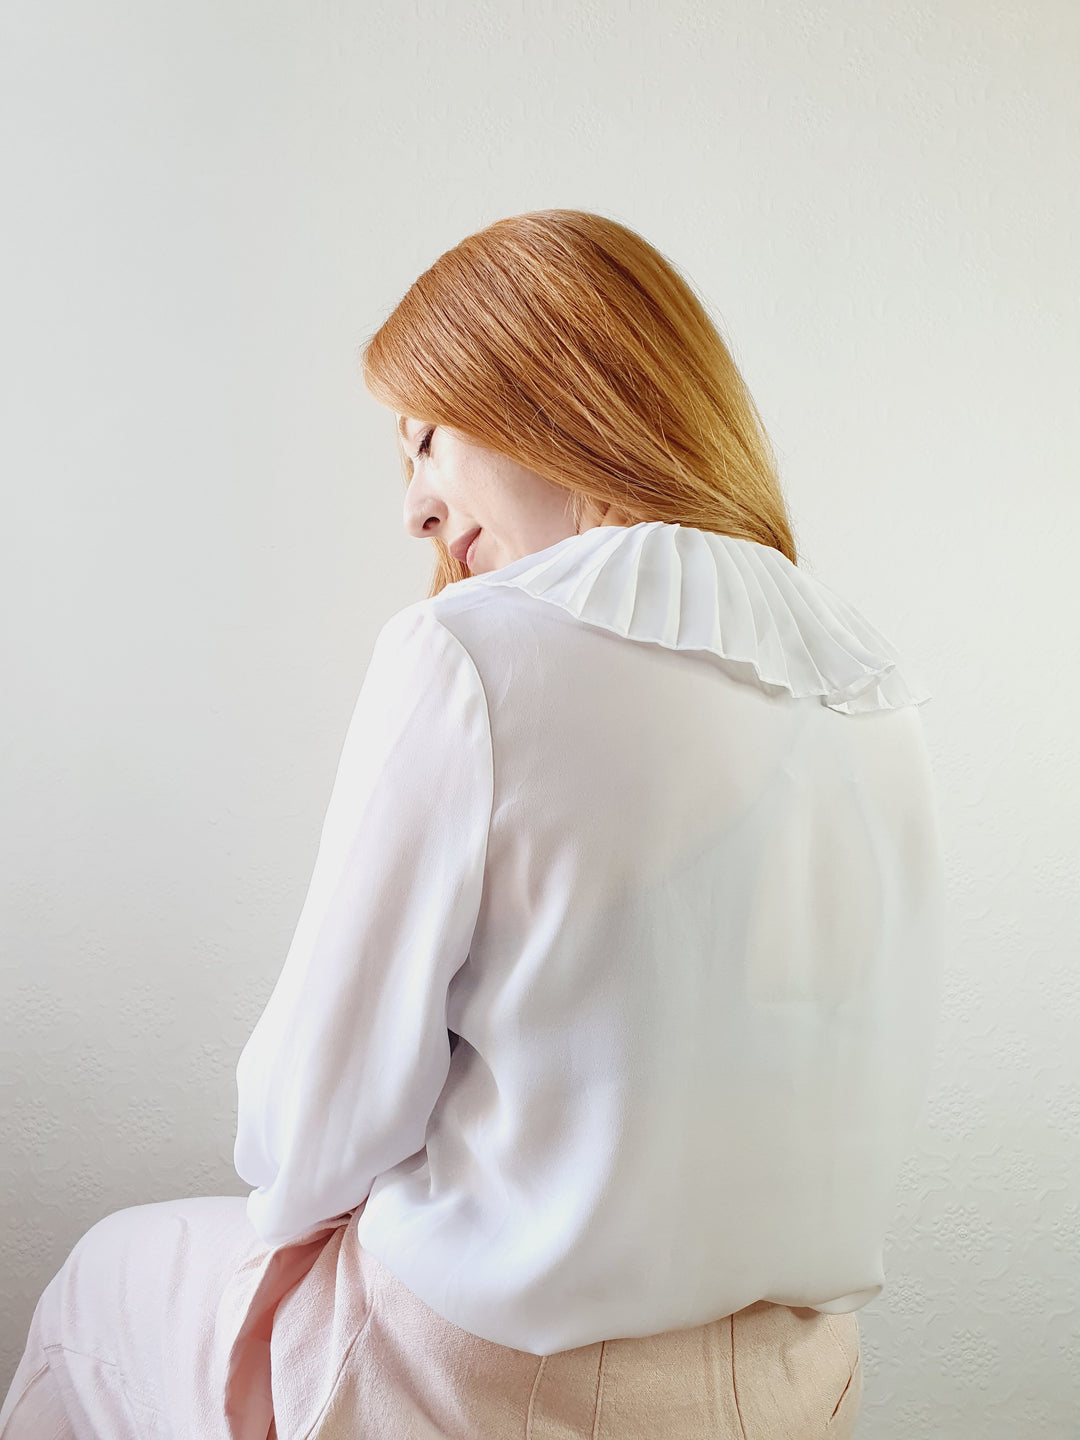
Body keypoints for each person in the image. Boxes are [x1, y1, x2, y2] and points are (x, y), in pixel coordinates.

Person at [0, 208, 945, 1440]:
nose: (415, 510)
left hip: (493, 1387)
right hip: (803, 1388)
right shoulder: (874, 682)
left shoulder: (470, 653)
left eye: (426, 440)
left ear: (549, 394)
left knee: (103, 1279)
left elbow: (306, 1127)